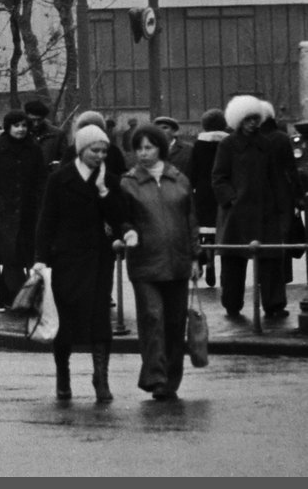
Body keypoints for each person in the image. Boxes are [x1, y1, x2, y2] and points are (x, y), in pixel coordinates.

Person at [33, 124, 126, 403]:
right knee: (65, 323)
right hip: (66, 260)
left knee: (100, 321)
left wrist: (102, 192)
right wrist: (40, 259)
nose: (99, 156)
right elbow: (46, 221)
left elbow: (119, 219)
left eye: (104, 151)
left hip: (99, 260)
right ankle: (63, 376)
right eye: (94, 150)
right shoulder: (59, 179)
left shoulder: (110, 180)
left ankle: (101, 378)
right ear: (81, 149)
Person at [117, 123, 197, 401]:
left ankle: (170, 381)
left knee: (175, 324)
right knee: (152, 318)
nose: (142, 153)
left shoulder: (179, 179)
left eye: (148, 147)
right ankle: (155, 376)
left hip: (177, 263)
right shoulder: (128, 182)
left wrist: (197, 257)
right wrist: (127, 231)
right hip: (145, 263)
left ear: (160, 148)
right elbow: (121, 217)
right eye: (138, 148)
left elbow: (190, 220)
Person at [211, 95, 297, 321]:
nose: (252, 123)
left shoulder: (266, 145)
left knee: (270, 260)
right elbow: (218, 177)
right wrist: (231, 199)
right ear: (239, 120)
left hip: (265, 212)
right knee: (232, 262)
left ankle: (274, 304)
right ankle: (232, 304)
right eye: (248, 119)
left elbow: (276, 178)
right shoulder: (227, 145)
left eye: (255, 119)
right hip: (236, 214)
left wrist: (282, 209)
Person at [0, 110, 46, 311]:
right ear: (8, 127)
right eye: (16, 125)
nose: (21, 129)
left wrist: (42, 206)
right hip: (3, 215)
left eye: (24, 125)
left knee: (26, 258)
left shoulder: (34, 149)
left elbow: (41, 180)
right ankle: (18, 300)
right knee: (12, 259)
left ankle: (7, 295)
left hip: (29, 214)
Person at [191, 109, 229, 288]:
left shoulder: (199, 144)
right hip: (221, 191)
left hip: (203, 191)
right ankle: (214, 262)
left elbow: (192, 170)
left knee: (203, 230)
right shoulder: (228, 143)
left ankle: (205, 259)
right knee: (217, 227)